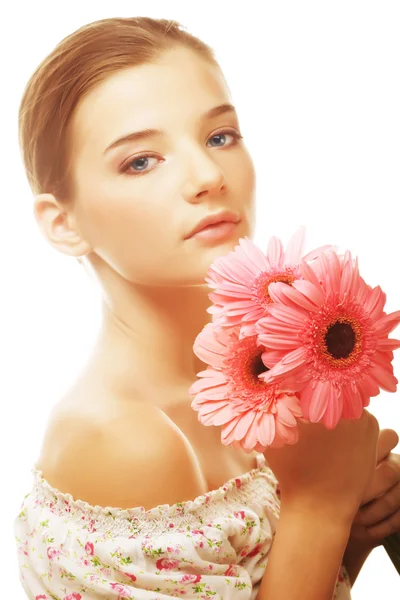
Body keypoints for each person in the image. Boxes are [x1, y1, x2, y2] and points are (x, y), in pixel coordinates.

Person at [13, 16, 396, 600]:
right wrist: (318, 506)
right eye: (141, 160)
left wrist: (351, 532)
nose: (208, 176)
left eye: (220, 137)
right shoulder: (125, 442)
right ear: (63, 224)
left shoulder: (264, 378)